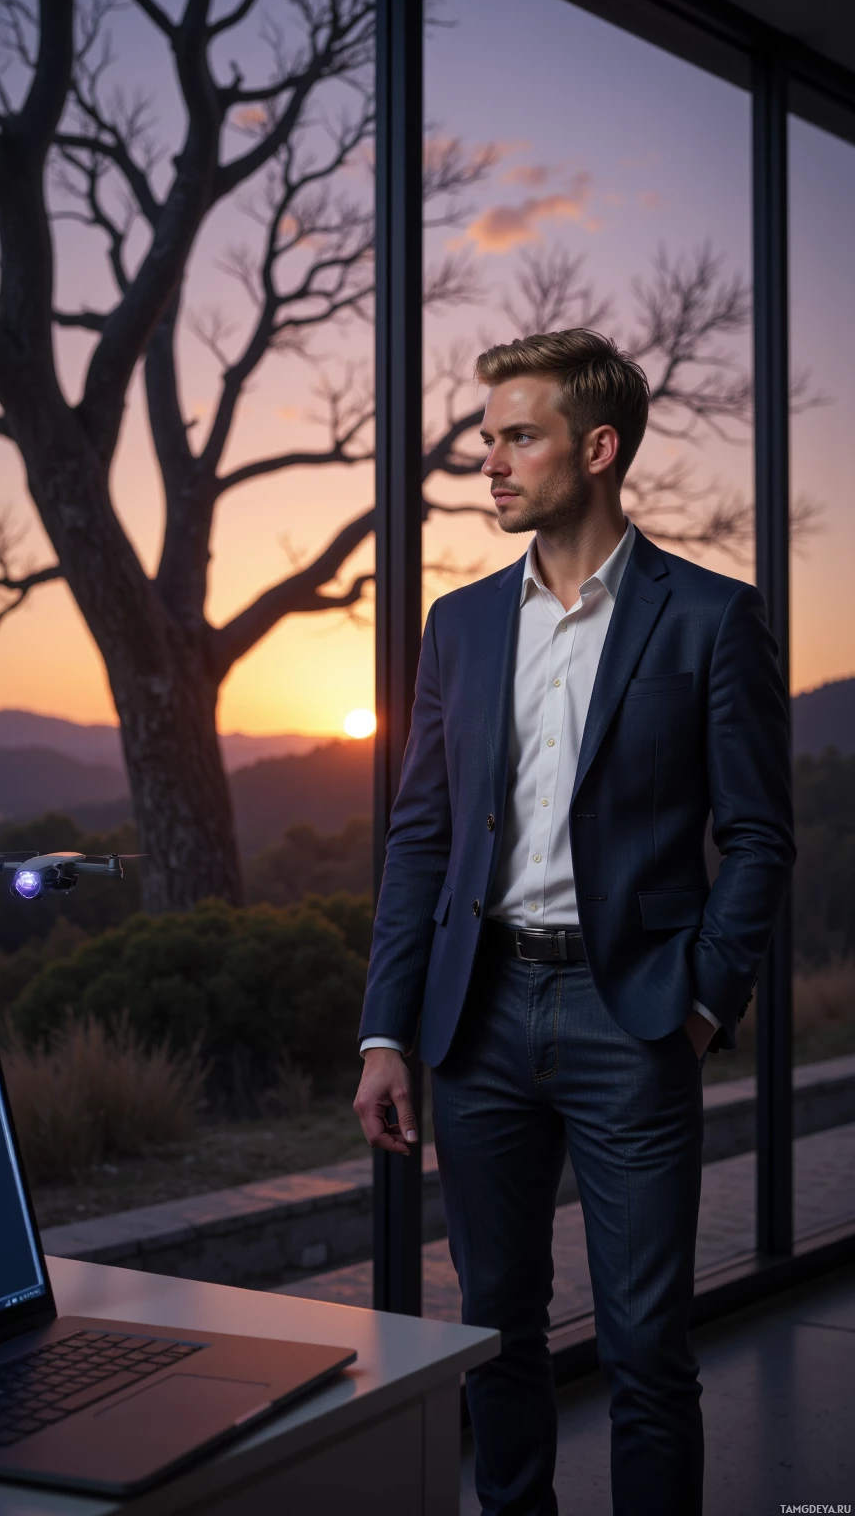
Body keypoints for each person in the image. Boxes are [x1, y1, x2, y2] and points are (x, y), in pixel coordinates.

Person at [352, 329, 795, 1516]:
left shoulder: (708, 618)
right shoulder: (461, 625)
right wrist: (385, 1031)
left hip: (634, 1016)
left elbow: (758, 838)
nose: (488, 461)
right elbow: (421, 840)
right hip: (479, 1017)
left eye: (517, 436)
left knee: (647, 1350)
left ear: (596, 450)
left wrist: (700, 1002)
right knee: (494, 1335)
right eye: (486, 437)